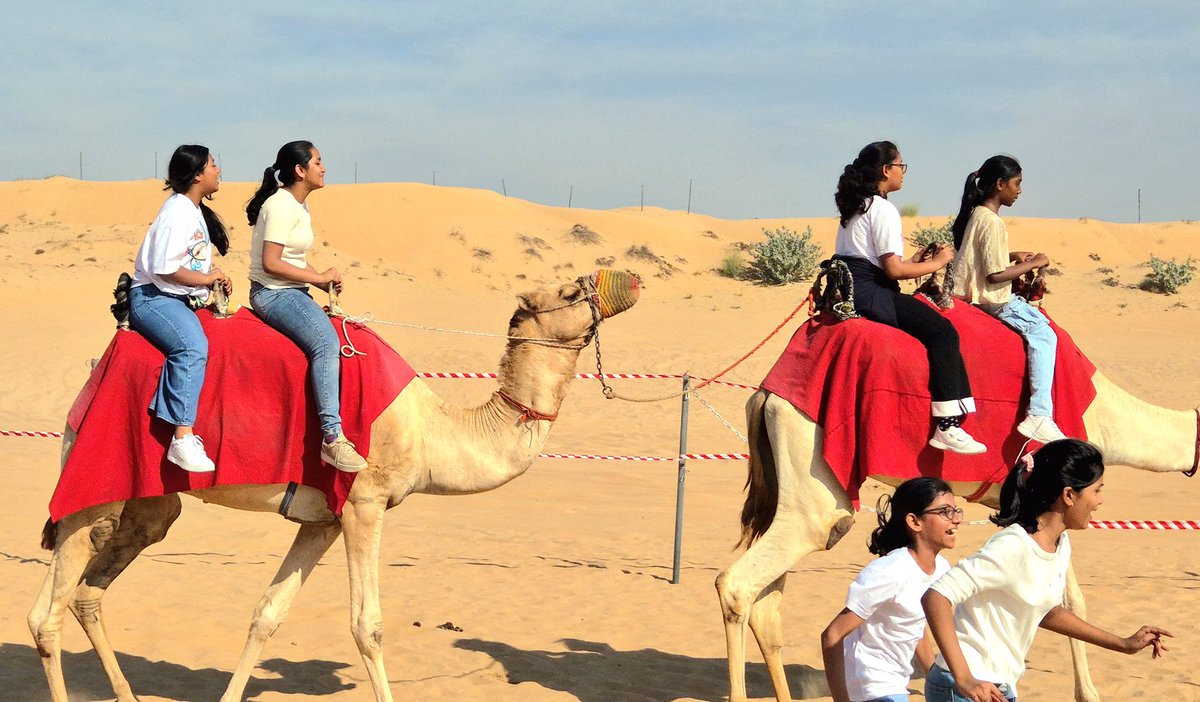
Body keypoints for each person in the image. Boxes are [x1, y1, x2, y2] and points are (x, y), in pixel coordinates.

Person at [922, 439, 1171, 702]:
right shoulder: (1013, 546)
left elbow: (1046, 611)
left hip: (998, 687)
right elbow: (936, 595)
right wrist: (963, 678)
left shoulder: (1060, 545)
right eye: (1096, 491)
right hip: (964, 689)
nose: (1100, 501)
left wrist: (1123, 643)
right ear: (1069, 496)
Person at [833, 141, 984, 454]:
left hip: (854, 289)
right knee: (943, 333)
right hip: (872, 293)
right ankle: (948, 424)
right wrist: (940, 263)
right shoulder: (883, 209)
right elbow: (892, 271)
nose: (903, 172)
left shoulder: (856, 207)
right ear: (886, 170)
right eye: (901, 166)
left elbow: (884, 264)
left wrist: (918, 260)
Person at [245, 141, 367, 473]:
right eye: (317, 162)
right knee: (326, 343)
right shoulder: (282, 206)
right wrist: (316, 278)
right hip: (274, 293)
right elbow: (271, 263)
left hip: (293, 291)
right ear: (300, 170)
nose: (323, 168)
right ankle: (332, 438)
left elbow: (292, 258)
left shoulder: (299, 206)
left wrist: (320, 277)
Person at [129, 144, 232, 473]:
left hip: (176, 297)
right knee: (191, 345)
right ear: (199, 173)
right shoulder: (178, 212)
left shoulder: (192, 210)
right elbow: (163, 268)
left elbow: (190, 262)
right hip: (152, 297)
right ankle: (182, 436)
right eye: (213, 165)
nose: (218, 170)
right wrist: (204, 280)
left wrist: (214, 280)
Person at [949, 156, 1065, 443]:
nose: (1019, 191)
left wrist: (1014, 256)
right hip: (991, 300)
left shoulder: (977, 213)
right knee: (1044, 333)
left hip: (972, 294)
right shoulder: (993, 222)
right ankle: (1039, 413)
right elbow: (995, 276)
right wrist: (1034, 262)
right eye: (1016, 184)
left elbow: (984, 259)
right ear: (1000, 185)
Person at [821, 478, 960, 702]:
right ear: (915, 522)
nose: (957, 519)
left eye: (955, 511)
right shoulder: (889, 572)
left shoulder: (941, 568)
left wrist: (936, 678)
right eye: (945, 512)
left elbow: (915, 628)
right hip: (869, 685)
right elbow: (832, 634)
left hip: (895, 683)